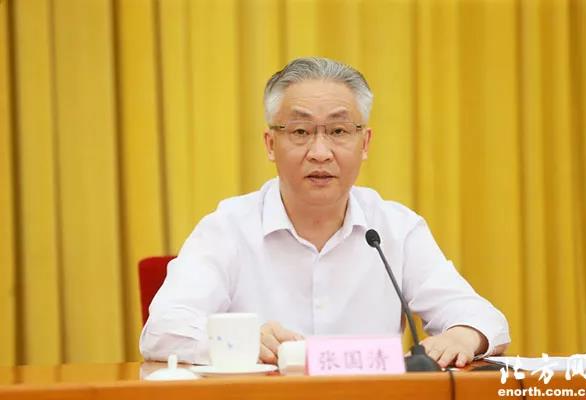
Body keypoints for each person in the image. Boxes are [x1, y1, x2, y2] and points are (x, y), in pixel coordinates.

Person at [140, 57, 510, 368]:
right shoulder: (227, 228)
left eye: (338, 131)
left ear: (364, 143)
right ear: (270, 144)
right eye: (300, 131)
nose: (320, 152)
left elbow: (483, 318)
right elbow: (162, 331)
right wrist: (242, 341)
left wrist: (464, 335)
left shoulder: (395, 229)